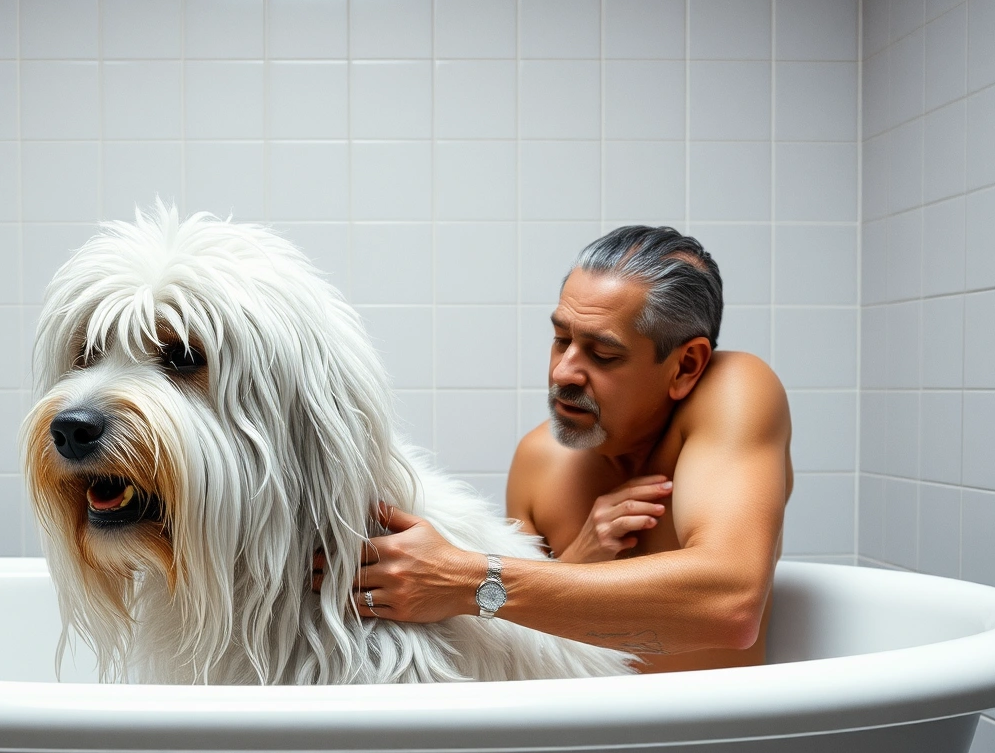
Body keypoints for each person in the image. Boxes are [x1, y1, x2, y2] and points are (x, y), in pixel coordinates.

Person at [320, 225, 794, 672]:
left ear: (686, 366)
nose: (564, 372)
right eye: (560, 338)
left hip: (715, 744)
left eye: (603, 354)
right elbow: (520, 653)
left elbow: (730, 603)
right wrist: (577, 560)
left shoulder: (735, 389)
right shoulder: (539, 459)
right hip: (570, 741)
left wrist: (463, 578)